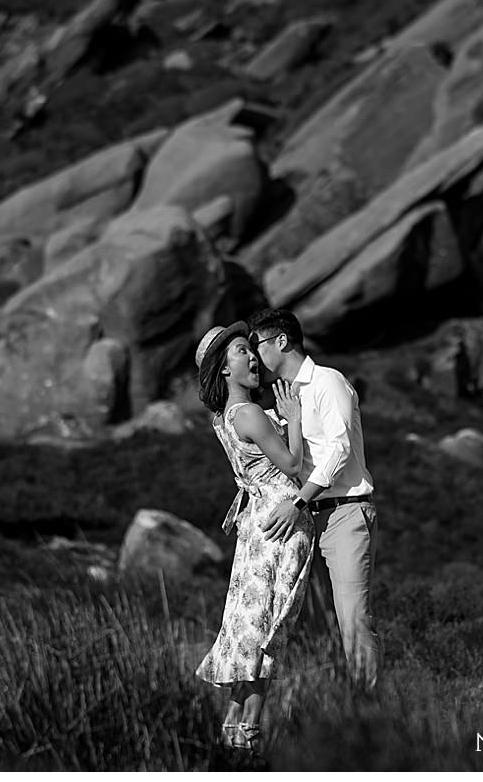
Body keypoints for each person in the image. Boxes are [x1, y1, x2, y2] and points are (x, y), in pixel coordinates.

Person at [193, 321, 315, 755]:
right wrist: (296, 418)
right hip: (281, 522)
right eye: (242, 352)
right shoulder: (248, 413)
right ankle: (250, 731)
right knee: (271, 629)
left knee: (251, 624)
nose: (252, 358)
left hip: (254, 524)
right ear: (224, 371)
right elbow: (296, 465)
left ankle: (233, 728)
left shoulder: (222, 419)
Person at [247, 309, 380, 688]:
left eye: (258, 344)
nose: (255, 355)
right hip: (309, 521)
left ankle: (367, 719)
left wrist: (299, 503)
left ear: (282, 341)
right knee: (316, 626)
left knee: (354, 621)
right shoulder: (289, 396)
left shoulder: (327, 382)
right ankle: (329, 716)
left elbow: (337, 452)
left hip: (343, 514)